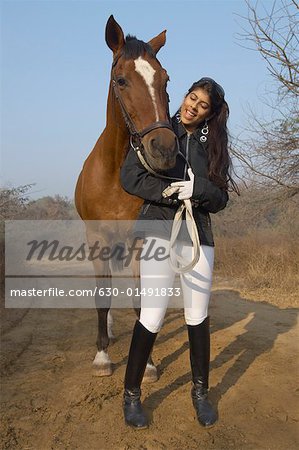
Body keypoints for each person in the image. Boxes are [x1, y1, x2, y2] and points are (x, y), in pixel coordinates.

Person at [120, 77, 238, 429]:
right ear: (184, 96)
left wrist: (197, 188)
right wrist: (172, 191)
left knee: (197, 315)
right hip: (159, 229)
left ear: (209, 114)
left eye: (203, 106)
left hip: (198, 235)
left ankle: (200, 394)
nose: (193, 107)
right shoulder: (158, 128)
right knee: (152, 315)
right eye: (192, 98)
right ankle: (131, 396)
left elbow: (221, 197)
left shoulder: (214, 145)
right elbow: (131, 177)